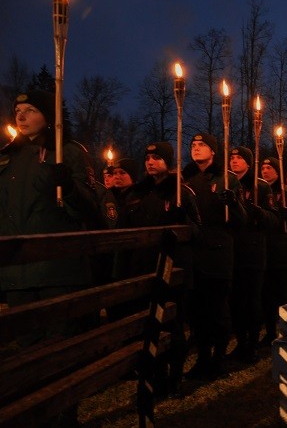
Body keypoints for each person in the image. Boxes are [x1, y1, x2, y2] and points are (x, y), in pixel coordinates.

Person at [0, 90, 99, 328]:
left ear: (48, 116)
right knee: (26, 345)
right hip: (17, 272)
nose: (21, 117)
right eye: (18, 112)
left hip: (58, 271)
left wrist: (69, 188)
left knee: (62, 342)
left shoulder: (67, 152)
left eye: (30, 111)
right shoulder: (8, 157)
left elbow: (89, 210)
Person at [115, 141, 201, 396]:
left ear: (168, 161)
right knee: (147, 327)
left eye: (157, 158)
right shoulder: (136, 194)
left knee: (173, 326)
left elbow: (197, 230)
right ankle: (154, 376)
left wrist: (181, 220)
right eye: (148, 157)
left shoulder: (180, 192)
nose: (151, 162)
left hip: (172, 271)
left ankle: (174, 376)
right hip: (143, 270)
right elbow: (123, 233)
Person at [182, 132, 245, 380]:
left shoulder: (227, 180)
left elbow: (241, 222)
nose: (196, 149)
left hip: (218, 255)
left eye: (202, 145)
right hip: (193, 255)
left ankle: (218, 359)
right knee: (197, 312)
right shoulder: (184, 180)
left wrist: (234, 205)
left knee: (217, 310)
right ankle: (203, 358)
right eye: (193, 144)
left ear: (213, 151)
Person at [228, 146, 278, 363]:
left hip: (254, 252)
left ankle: (252, 343)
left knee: (252, 300)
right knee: (235, 301)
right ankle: (240, 341)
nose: (235, 161)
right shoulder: (227, 184)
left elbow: (274, 219)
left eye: (240, 158)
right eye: (232, 158)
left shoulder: (261, 187)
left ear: (249, 163)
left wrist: (261, 214)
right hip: (232, 251)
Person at [261, 156, 287, 341]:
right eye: (262, 167)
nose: (264, 170)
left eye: (269, 168)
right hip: (264, 250)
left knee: (283, 295)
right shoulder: (259, 190)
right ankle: (269, 331)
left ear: (277, 171)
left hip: (283, 251)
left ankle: (286, 330)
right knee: (266, 295)